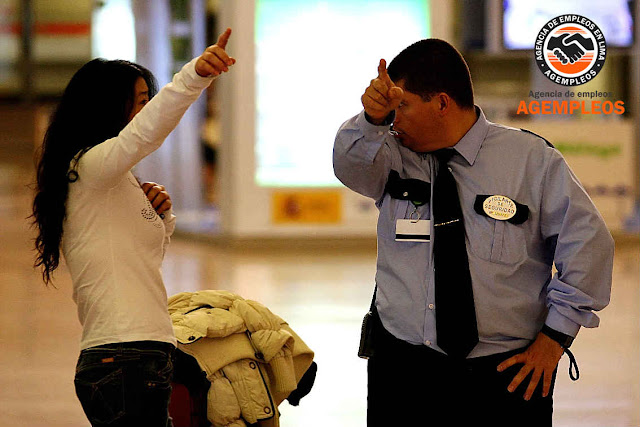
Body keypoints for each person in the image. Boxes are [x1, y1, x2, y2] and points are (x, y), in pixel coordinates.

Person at [333, 39, 614, 426]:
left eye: (402, 107)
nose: (395, 121)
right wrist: (372, 119)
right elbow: (348, 165)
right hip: (402, 371)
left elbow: (589, 247)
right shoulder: (391, 154)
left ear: (442, 103)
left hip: (504, 376)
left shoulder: (531, 161)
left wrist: (555, 339)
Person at [31, 28, 236, 427]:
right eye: (142, 101)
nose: (147, 111)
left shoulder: (109, 177)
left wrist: (162, 219)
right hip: (123, 359)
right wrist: (194, 76)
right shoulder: (91, 167)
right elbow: (147, 133)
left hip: (138, 354)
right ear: (109, 107)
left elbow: (139, 263)